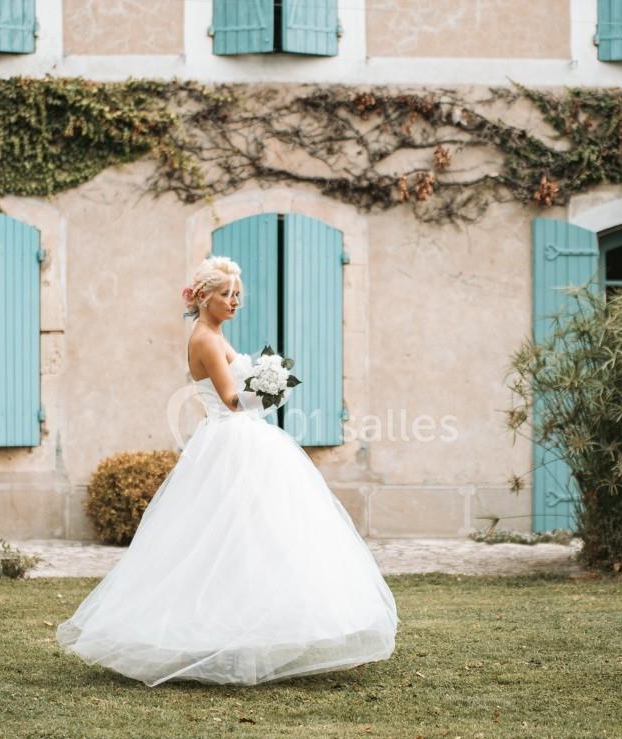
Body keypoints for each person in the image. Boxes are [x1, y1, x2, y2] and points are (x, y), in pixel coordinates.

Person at [56, 256, 398, 686]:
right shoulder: (204, 339)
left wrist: (268, 378)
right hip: (231, 439)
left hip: (246, 438)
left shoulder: (217, 334)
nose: (234, 302)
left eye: (237, 295)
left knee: (261, 535)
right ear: (203, 297)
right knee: (226, 536)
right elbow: (233, 400)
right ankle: (221, 634)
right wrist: (271, 389)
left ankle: (255, 630)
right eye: (226, 295)